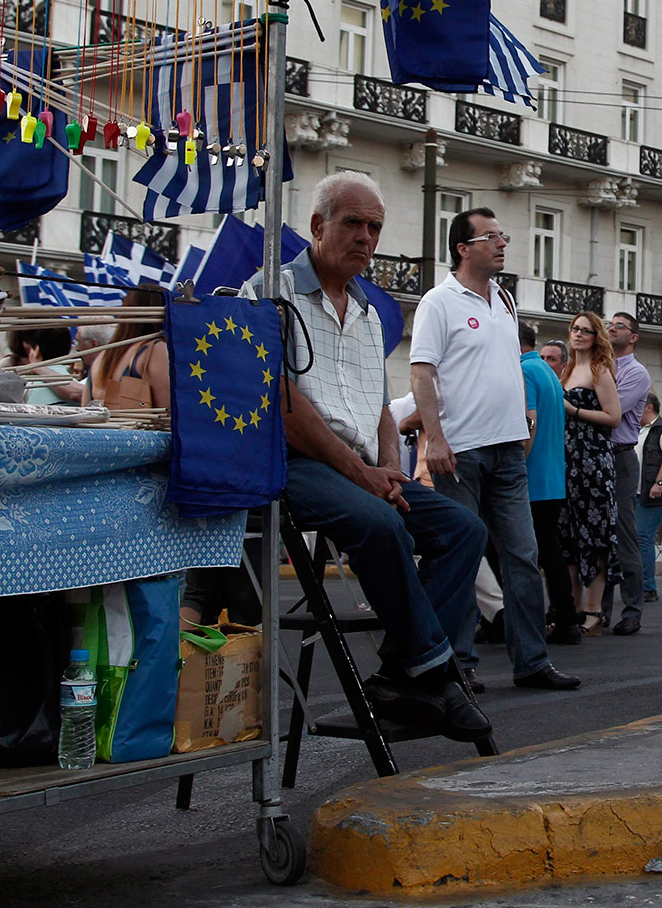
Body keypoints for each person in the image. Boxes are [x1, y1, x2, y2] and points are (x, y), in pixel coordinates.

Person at [241, 170, 491, 740]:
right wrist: (361, 474)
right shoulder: (269, 293)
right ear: (317, 225)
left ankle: (402, 675)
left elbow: (378, 405)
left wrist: (390, 471)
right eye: (353, 223)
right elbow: (283, 406)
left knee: (464, 530)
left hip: (359, 469)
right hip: (296, 465)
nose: (365, 237)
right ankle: (435, 672)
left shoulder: (370, 311)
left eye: (375, 227)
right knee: (381, 525)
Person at [412, 207, 580, 691]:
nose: (502, 243)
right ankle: (457, 665)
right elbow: (422, 371)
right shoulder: (439, 302)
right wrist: (435, 438)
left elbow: (505, 369)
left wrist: (523, 426)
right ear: (463, 249)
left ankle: (532, 661)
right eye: (491, 237)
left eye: (502, 235)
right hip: (460, 451)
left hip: (508, 450)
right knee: (461, 556)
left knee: (523, 556)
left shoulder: (504, 299)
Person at [558, 311, 622, 636]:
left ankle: (593, 610)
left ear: (597, 337)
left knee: (595, 536)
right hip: (567, 461)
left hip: (593, 461)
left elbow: (614, 417)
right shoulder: (567, 370)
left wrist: (575, 410)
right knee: (569, 536)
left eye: (586, 330)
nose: (579, 334)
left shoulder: (599, 371)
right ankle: (573, 607)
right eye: (575, 329)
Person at [519, 320, 580, 645]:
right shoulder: (547, 373)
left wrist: (517, 465)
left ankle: (562, 616)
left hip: (532, 475)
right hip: (552, 475)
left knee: (539, 550)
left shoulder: (526, 371)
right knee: (549, 549)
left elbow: (530, 421)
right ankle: (563, 614)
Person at [604, 312, 652, 636]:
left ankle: (632, 609)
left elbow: (612, 412)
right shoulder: (601, 368)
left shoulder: (636, 373)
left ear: (633, 337)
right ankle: (598, 611)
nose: (611, 328)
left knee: (624, 536)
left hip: (620, 458)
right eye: (609, 324)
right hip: (595, 458)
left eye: (619, 326)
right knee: (597, 537)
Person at [81, 288, 171, 410]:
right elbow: (169, 411)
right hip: (138, 427)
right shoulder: (154, 349)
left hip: (103, 428)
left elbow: (85, 409)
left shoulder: (104, 355)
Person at [634, 391, 662, 603]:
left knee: (643, 536)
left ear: (649, 407)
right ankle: (636, 583)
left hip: (652, 494)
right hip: (634, 493)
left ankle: (648, 587)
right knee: (635, 539)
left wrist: (659, 483)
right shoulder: (638, 430)